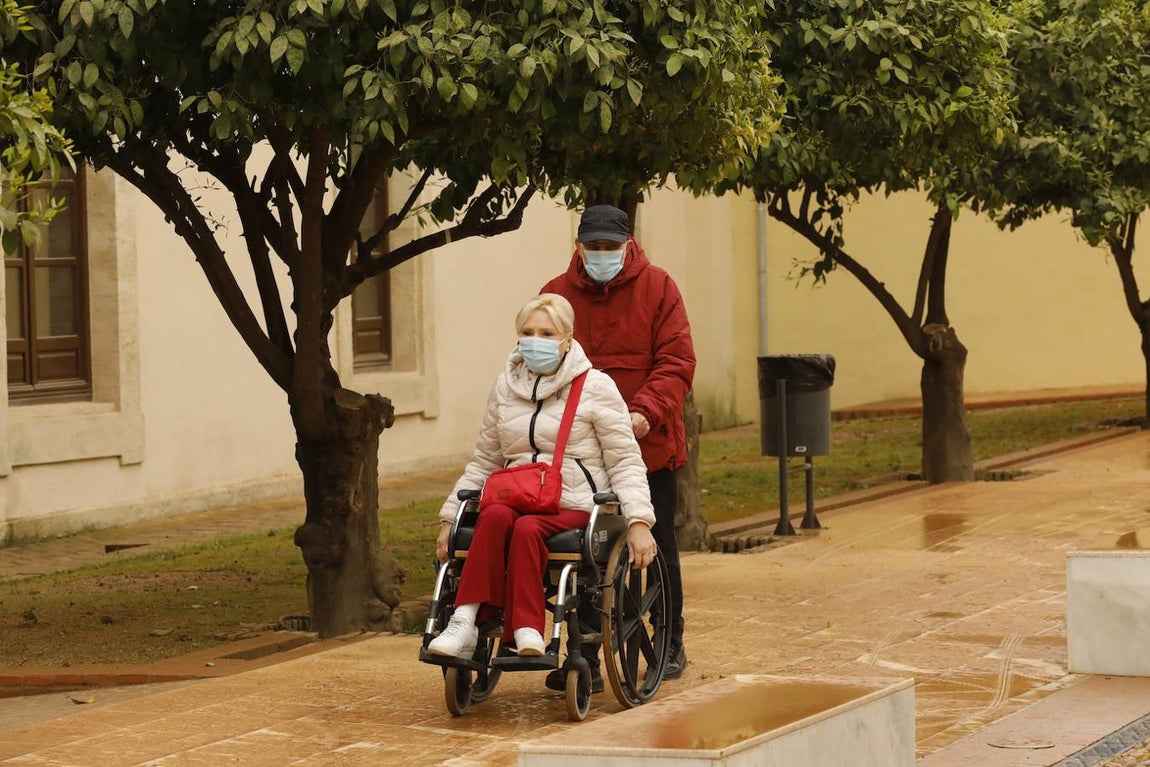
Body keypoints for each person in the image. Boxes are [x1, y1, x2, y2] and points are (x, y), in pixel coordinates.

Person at [428, 293, 658, 661]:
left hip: (576, 501)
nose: (537, 341)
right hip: (517, 497)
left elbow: (625, 460)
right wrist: (448, 518)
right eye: (528, 332)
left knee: (527, 528)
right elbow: (485, 459)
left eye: (548, 333)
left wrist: (638, 521)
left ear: (567, 339)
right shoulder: (504, 387)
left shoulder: (596, 387)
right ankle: (463, 620)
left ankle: (527, 626)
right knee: (495, 515)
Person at [540, 204, 696, 687]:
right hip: (581, 454)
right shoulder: (555, 295)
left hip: (647, 443)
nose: (602, 255)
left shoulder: (660, 288)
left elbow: (676, 360)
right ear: (579, 246)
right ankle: (583, 651)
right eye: (594, 247)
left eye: (611, 247)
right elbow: (541, 361)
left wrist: (645, 413)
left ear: (628, 245)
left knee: (656, 542)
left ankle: (669, 642)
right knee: (586, 550)